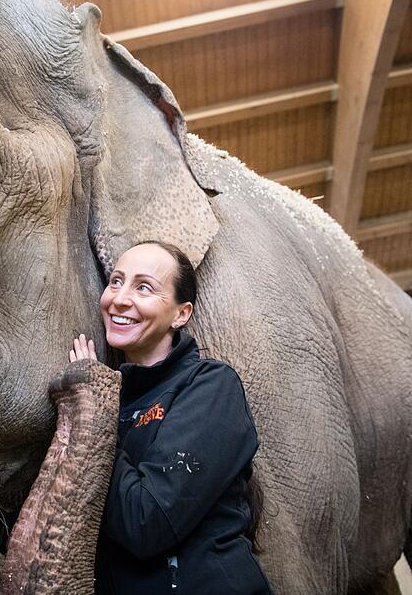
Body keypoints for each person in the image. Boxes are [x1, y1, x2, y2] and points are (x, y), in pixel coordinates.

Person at [70, 241, 272, 594]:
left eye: (143, 287)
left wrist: (92, 408)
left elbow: (146, 521)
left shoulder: (210, 387)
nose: (119, 298)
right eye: (116, 281)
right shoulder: (115, 398)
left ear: (181, 314)